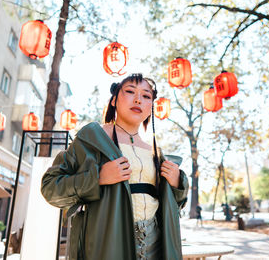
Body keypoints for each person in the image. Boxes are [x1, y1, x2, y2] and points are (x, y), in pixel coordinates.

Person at [41, 73, 189, 260]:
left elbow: (176, 205)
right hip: (107, 242)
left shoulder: (155, 152)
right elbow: (50, 187)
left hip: (155, 245)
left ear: (151, 107)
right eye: (130, 91)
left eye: (146, 96)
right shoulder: (91, 139)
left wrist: (177, 184)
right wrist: (98, 178)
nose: (138, 99)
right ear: (114, 101)